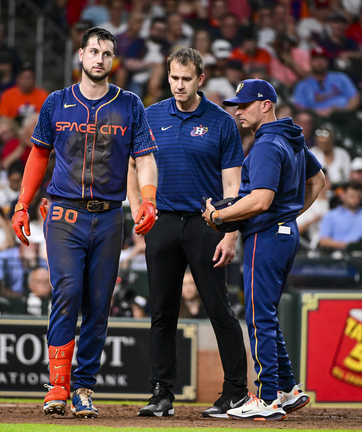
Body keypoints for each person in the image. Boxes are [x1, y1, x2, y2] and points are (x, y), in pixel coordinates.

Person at [10, 27, 158, 418]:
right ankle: (57, 386)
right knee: (68, 292)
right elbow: (38, 154)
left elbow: (144, 157)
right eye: (93, 51)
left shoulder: (130, 104)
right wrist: (22, 204)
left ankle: (84, 388)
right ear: (80, 55)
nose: (99, 59)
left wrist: (148, 199)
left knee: (98, 304)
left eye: (107, 53)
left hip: (109, 216)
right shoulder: (56, 102)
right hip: (63, 213)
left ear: (113, 60)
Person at [130, 47, 249, 419]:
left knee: (218, 307)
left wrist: (230, 233)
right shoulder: (149, 116)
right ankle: (161, 394)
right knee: (162, 311)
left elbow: (233, 185)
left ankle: (236, 393)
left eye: (186, 79)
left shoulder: (222, 122)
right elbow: (133, 166)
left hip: (206, 222)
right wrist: (137, 207)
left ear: (200, 79)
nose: (179, 85)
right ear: (167, 76)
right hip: (163, 221)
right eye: (174, 78)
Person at [203, 78, 325, 420]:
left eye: (245, 105)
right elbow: (318, 181)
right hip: (284, 234)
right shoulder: (290, 137)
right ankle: (287, 389)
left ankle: (268, 398)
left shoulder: (268, 144)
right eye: (236, 106)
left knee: (259, 316)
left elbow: (261, 200)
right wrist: (290, 215)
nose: (238, 111)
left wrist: (218, 216)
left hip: (267, 236)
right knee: (265, 313)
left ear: (266, 105)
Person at [291, 47, 359, 118]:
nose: (320, 62)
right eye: (316, 59)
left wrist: (345, 110)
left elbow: (355, 97)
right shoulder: (303, 85)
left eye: (323, 59)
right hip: (317, 118)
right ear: (310, 62)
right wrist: (317, 112)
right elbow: (299, 107)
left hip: (344, 115)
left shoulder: (340, 77)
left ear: (327, 61)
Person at [318, 180, 362, 250]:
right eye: (352, 196)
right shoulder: (331, 215)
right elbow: (323, 241)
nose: (355, 199)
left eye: (358, 196)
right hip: (337, 253)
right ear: (343, 195)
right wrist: (349, 246)